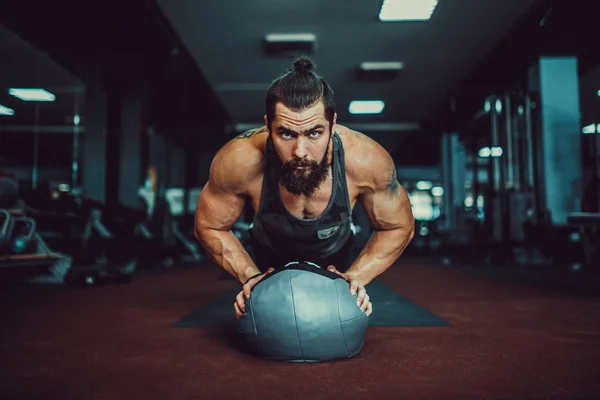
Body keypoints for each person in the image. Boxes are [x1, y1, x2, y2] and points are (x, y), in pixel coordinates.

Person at [194, 57, 415, 320]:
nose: (300, 151)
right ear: (268, 126)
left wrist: (356, 277)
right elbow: (210, 225)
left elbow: (398, 225)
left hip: (336, 257)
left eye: (314, 133)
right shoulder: (238, 161)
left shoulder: (366, 161)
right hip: (267, 258)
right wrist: (250, 276)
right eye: (286, 134)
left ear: (333, 125)